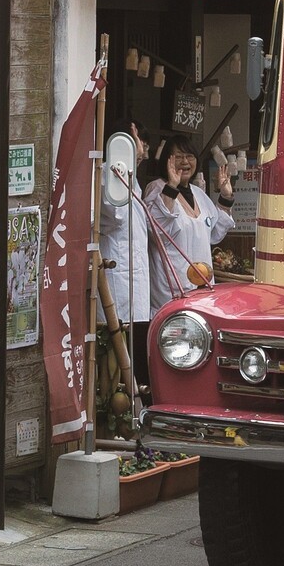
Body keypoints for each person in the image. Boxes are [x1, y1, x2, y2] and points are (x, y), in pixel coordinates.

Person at [144, 134, 235, 327]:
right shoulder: (157, 188)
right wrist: (171, 187)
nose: (185, 162)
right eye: (178, 156)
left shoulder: (199, 194)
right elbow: (157, 231)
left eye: (189, 156)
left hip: (201, 288)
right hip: (171, 290)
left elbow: (215, 233)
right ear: (167, 160)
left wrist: (226, 197)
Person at [97, 120, 151, 388]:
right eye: (140, 139)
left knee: (134, 349)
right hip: (119, 282)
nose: (144, 147)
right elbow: (115, 214)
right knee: (114, 360)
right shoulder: (110, 171)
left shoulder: (131, 177)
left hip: (134, 280)